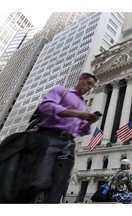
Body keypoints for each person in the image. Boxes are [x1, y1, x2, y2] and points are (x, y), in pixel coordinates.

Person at [29, 72, 102, 203]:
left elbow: (82, 131)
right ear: (81, 79)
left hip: (68, 144)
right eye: (89, 83)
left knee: (58, 185)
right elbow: (45, 107)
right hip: (49, 137)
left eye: (92, 86)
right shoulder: (61, 91)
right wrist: (77, 114)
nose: (90, 87)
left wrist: (90, 121)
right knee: (39, 179)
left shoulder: (84, 106)